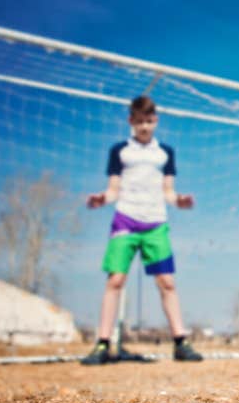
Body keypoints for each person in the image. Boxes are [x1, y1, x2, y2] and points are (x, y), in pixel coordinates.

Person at [81, 95, 203, 365]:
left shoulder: (165, 153)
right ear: (131, 122)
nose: (145, 127)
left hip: (155, 224)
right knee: (115, 281)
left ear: (155, 121)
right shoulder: (120, 151)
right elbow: (113, 190)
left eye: (149, 121)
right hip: (125, 220)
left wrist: (179, 200)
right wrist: (102, 198)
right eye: (139, 122)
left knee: (167, 283)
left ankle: (180, 342)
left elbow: (168, 192)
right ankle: (103, 344)